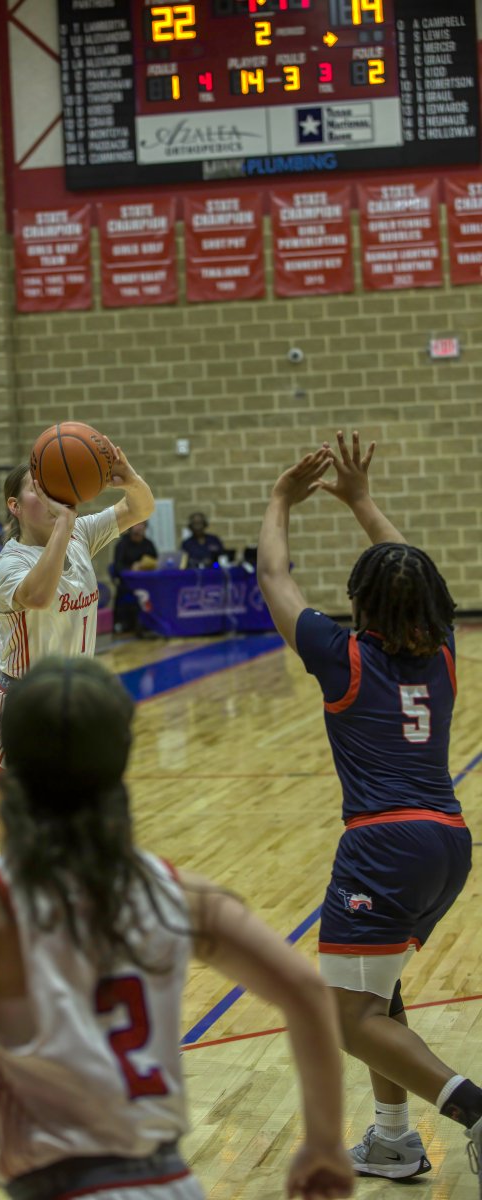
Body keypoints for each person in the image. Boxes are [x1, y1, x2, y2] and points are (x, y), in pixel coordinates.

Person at [0, 656, 354, 1200]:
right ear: (121, 758)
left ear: (14, 759)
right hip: (171, 1184)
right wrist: (325, 1143)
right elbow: (305, 990)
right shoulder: (177, 891)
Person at [257, 430, 482, 1189]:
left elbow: (273, 574)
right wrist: (362, 501)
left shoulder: (343, 655)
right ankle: (392, 1139)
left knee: (347, 1019)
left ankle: (476, 1110)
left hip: (384, 847)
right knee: (378, 994)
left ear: (360, 604)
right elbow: (418, 572)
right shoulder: (444, 650)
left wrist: (281, 499)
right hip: (448, 843)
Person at [0, 445, 152, 832]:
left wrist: (129, 478)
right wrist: (63, 525)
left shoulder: (79, 535)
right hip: (23, 708)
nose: (50, 497)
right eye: (37, 489)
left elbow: (140, 508)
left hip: (78, 701)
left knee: (85, 833)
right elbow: (38, 596)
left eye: (53, 487)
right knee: (24, 843)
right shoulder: (8, 565)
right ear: (14, 506)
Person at [112, 520, 158, 634]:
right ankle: (128, 623)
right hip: (128, 582)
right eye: (136, 524)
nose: (139, 527)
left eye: (142, 524)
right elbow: (118, 567)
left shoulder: (148, 543)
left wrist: (146, 565)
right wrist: (131, 567)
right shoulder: (122, 544)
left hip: (147, 581)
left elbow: (155, 561)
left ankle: (152, 622)